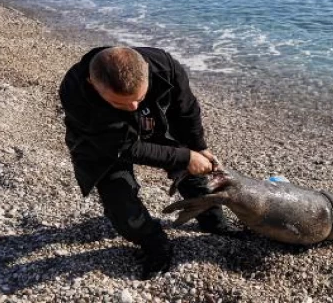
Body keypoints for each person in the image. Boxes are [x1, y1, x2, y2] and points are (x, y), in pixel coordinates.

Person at [58, 46, 226, 280]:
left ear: (146, 72)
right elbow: (125, 147)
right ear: (92, 83)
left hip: (154, 123)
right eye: (121, 104)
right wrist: (186, 157)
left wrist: (198, 147)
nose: (133, 107)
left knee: (193, 172)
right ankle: (155, 245)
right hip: (103, 144)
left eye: (138, 98)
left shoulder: (164, 66)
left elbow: (186, 110)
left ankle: (214, 223)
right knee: (121, 206)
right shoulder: (74, 91)